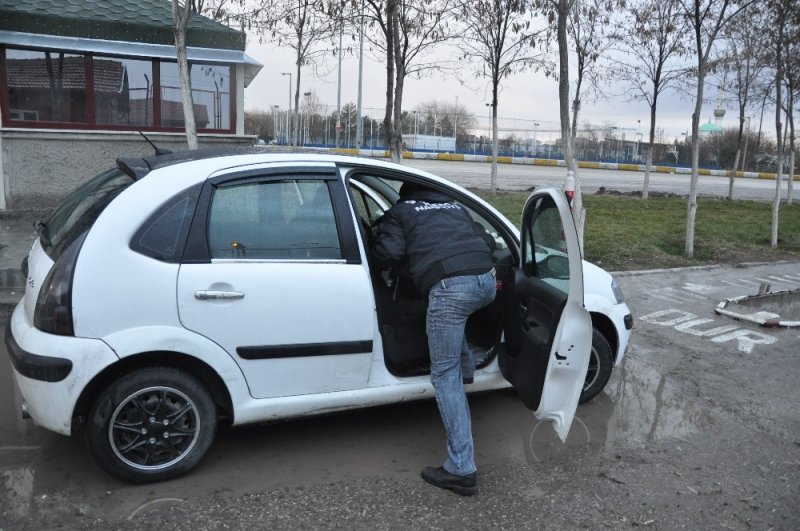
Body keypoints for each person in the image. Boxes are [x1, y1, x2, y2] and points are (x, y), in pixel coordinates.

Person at [372, 181, 496, 496]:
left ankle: (461, 469)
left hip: (451, 289)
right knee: (459, 314)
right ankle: (467, 368)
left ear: (406, 195)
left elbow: (389, 252)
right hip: (487, 282)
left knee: (444, 375)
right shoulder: (455, 208)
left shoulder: (401, 212)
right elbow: (485, 240)